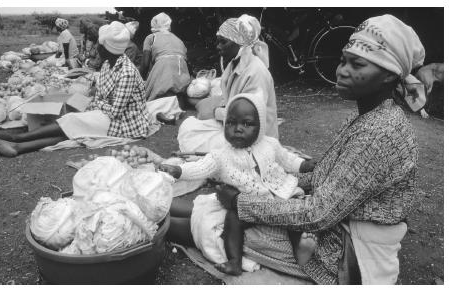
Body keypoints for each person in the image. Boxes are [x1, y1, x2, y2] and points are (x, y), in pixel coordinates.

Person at [167, 14, 425, 284]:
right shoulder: (370, 118)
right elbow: (328, 179)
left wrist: (244, 201)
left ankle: (156, 222)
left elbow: (318, 213)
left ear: (388, 76)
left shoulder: (377, 132)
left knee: (221, 225)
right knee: (227, 206)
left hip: (343, 250)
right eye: (343, 60)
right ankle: (159, 210)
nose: (342, 70)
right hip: (335, 221)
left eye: (357, 64)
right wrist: (266, 185)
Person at [160, 92, 316, 275]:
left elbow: (287, 159)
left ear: (261, 126)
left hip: (281, 193)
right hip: (246, 205)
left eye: (247, 124)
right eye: (231, 123)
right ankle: (234, 261)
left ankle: (300, 248)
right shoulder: (222, 155)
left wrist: (304, 165)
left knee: (293, 215)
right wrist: (179, 171)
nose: (238, 128)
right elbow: (201, 167)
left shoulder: (270, 144)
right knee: (232, 222)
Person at [0, 21, 150, 157]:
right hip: (109, 113)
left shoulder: (127, 72)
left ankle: (17, 140)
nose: (96, 49)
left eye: (100, 46)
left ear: (109, 49)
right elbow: (102, 95)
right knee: (72, 126)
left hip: (125, 124)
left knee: (73, 121)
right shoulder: (109, 64)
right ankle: (17, 145)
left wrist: (94, 104)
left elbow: (115, 112)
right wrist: (94, 101)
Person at [177, 14, 276, 153]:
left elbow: (250, 118)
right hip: (237, 125)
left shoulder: (256, 72)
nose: (218, 47)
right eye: (218, 42)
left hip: (254, 135)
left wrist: (216, 112)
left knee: (198, 139)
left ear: (239, 43)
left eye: (223, 42)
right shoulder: (234, 65)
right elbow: (231, 101)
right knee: (188, 127)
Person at [140, 12, 191, 101]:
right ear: (168, 24)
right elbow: (186, 60)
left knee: (157, 98)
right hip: (181, 69)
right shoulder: (178, 39)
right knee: (177, 98)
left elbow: (145, 64)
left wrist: (140, 82)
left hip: (163, 67)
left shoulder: (151, 37)